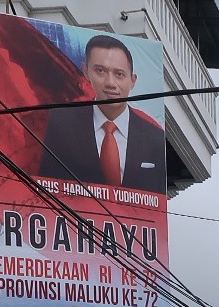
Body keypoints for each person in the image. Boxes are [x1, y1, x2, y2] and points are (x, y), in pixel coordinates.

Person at [38, 35, 167, 193]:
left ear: (133, 80)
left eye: (119, 74)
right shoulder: (60, 124)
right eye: (100, 71)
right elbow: (46, 189)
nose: (110, 83)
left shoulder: (154, 139)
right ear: (86, 71)